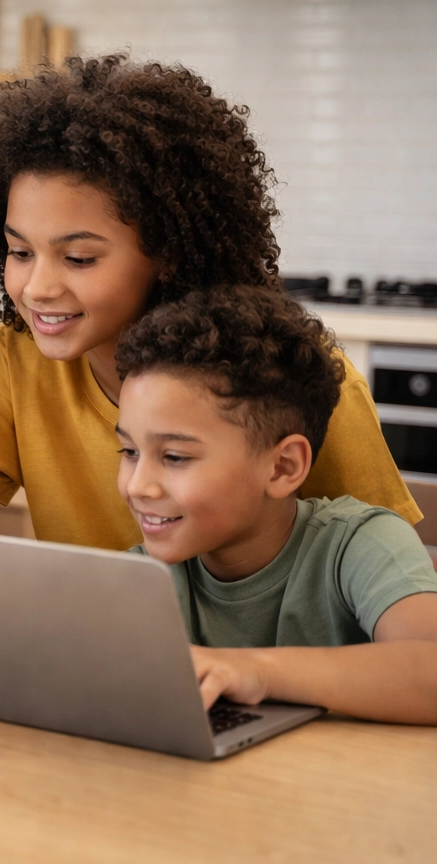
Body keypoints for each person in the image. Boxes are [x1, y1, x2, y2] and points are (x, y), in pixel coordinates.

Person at [0, 54, 419, 544]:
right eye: (20, 252)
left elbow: (406, 604)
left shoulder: (293, 382)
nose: (37, 288)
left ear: (168, 251)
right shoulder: (21, 363)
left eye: (79, 259)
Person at [115, 286, 437, 724]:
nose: (138, 486)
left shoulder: (359, 544)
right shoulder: (141, 579)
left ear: (284, 467)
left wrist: (256, 671)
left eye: (174, 457)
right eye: (129, 452)